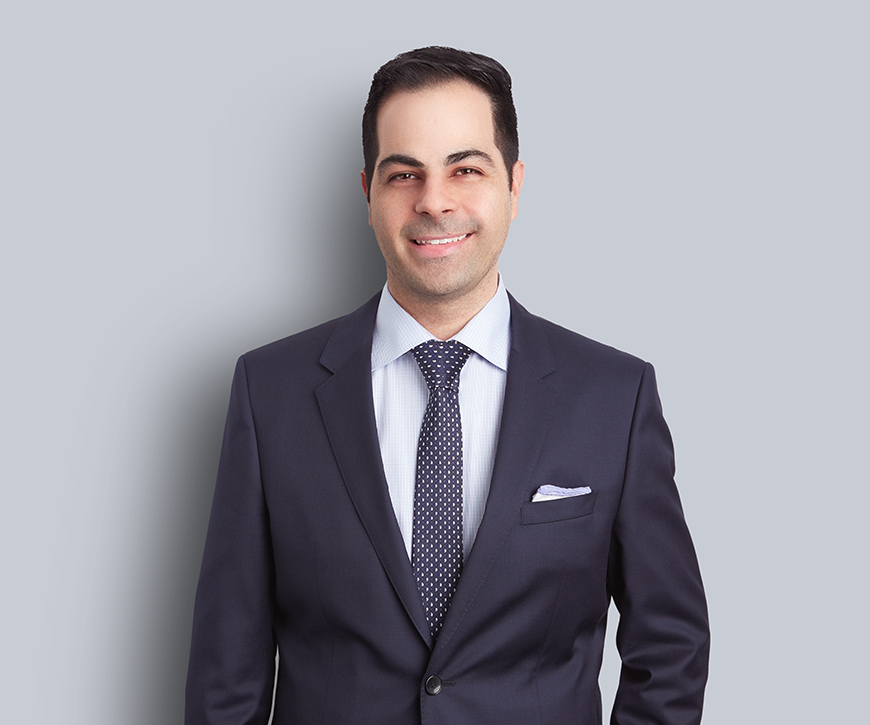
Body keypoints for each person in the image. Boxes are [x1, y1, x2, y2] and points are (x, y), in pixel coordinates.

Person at [185, 46, 709, 725]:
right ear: (368, 193)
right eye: (404, 174)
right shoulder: (269, 393)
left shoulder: (615, 396)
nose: (434, 201)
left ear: (514, 186)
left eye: (466, 169)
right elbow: (226, 669)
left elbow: (669, 646)